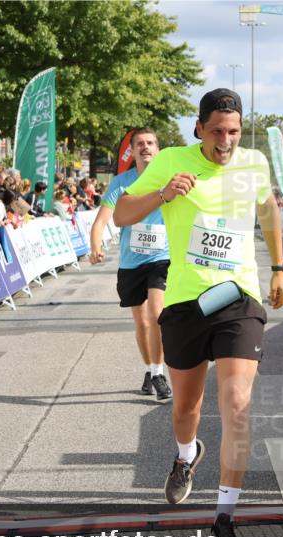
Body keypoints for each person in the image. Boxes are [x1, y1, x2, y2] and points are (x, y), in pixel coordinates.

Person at [115, 89, 283, 537]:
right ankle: (186, 454)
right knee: (186, 409)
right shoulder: (170, 159)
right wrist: (162, 193)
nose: (225, 140)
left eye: (233, 131)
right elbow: (121, 213)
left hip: (238, 299)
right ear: (199, 128)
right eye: (216, 131)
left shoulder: (253, 163)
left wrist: (278, 267)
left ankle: (224, 517)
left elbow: (268, 210)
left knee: (236, 404)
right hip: (187, 303)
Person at [89, 127, 173, 401]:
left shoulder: (168, 180)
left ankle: (159, 373)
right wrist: (95, 246)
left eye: (151, 143)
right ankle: (149, 368)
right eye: (140, 144)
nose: (146, 147)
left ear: (158, 149)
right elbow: (102, 220)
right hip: (131, 261)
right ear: (133, 150)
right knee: (141, 322)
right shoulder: (121, 183)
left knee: (156, 315)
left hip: (161, 257)